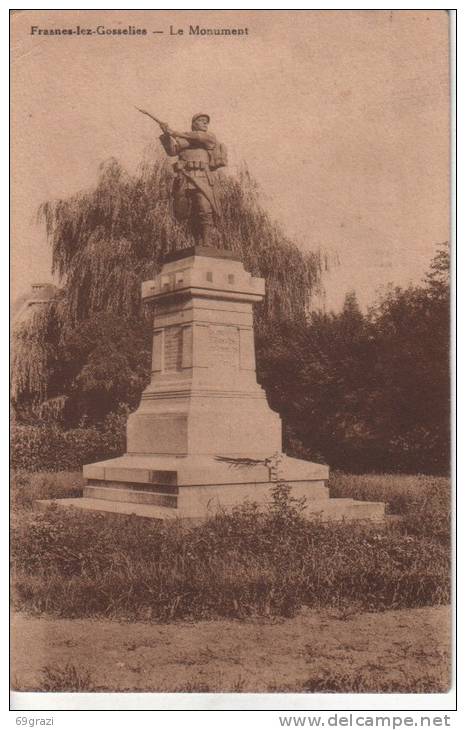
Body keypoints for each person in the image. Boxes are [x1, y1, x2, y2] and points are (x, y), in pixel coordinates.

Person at [159, 113, 226, 246]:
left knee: (204, 208)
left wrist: (175, 133)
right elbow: (172, 151)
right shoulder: (185, 140)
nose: (205, 123)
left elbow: (199, 137)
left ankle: (207, 241)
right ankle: (197, 242)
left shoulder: (209, 138)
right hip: (185, 178)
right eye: (201, 120)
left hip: (203, 178)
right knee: (189, 211)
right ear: (194, 123)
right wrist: (166, 134)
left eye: (206, 121)